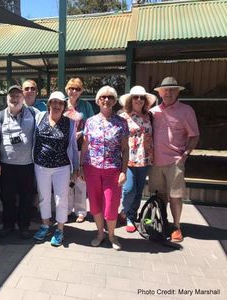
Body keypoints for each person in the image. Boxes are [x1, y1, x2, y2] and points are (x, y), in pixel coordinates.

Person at [149, 77, 199, 242]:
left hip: (175, 161)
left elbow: (194, 136)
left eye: (172, 90)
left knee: (175, 196)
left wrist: (185, 155)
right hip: (155, 162)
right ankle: (163, 223)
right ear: (160, 93)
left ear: (178, 92)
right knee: (159, 196)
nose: (168, 93)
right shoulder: (153, 112)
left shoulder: (186, 111)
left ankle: (177, 227)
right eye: (165, 90)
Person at [80, 86, 129, 251]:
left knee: (111, 205)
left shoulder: (121, 122)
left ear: (114, 101)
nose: (106, 100)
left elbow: (125, 149)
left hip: (113, 170)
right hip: (91, 169)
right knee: (94, 204)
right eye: (103, 97)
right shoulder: (90, 121)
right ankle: (100, 234)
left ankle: (112, 235)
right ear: (98, 100)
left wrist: (124, 171)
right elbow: (85, 146)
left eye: (110, 97)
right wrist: (81, 166)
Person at [0, 85, 37, 239]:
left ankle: (24, 226)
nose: (14, 98)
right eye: (12, 96)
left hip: (27, 165)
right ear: (7, 98)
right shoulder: (0, 116)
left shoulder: (33, 113)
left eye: (18, 95)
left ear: (23, 98)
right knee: (7, 197)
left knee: (26, 198)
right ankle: (8, 226)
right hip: (7, 165)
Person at [33, 91, 78, 247]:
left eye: (60, 103)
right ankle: (45, 225)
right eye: (54, 102)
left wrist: (76, 168)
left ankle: (59, 229)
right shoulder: (39, 117)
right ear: (49, 104)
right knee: (44, 197)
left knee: (61, 199)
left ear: (64, 106)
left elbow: (73, 146)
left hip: (62, 167)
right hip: (41, 166)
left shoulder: (70, 123)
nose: (57, 105)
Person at [119, 86, 156, 232]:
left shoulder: (150, 116)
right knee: (128, 190)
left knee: (139, 190)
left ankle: (130, 215)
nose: (139, 100)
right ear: (130, 100)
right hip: (128, 158)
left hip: (145, 159)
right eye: (136, 97)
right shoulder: (122, 116)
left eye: (142, 97)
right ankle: (125, 212)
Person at [63, 77, 94, 223]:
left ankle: (81, 211)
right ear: (67, 89)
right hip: (64, 149)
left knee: (81, 179)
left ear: (81, 91)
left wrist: (80, 133)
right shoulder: (61, 104)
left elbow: (91, 124)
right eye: (71, 88)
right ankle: (67, 209)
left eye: (77, 89)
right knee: (67, 180)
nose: (74, 91)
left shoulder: (86, 106)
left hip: (81, 146)